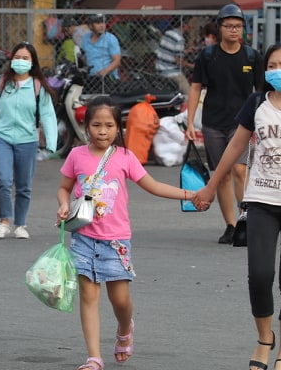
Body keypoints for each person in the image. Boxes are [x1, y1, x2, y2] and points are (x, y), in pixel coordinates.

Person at [56, 96, 209, 370]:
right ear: (86, 127)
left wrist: (190, 194)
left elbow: (153, 186)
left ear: (118, 129)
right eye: (96, 125)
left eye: (109, 125)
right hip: (83, 239)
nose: (102, 131)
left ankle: (125, 329)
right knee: (89, 298)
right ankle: (94, 357)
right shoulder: (76, 155)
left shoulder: (125, 157)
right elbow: (64, 187)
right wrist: (64, 205)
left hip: (116, 242)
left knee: (121, 300)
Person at [193, 44, 281, 370]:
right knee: (260, 275)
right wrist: (211, 185)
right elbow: (235, 147)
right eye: (272, 64)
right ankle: (263, 340)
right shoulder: (257, 104)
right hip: (260, 200)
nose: (276, 69)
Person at [185, 3, 264, 244]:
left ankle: (246, 220)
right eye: (228, 26)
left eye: (238, 26)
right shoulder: (208, 56)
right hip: (212, 123)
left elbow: (261, 91)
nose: (233, 30)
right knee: (221, 175)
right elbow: (196, 87)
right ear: (219, 28)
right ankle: (230, 225)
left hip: (242, 124)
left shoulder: (252, 56)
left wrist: (261, 122)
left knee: (240, 170)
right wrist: (189, 122)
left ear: (243, 29)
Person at [0, 42, 58, 239]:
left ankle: (20, 224)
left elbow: (48, 115)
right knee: (3, 180)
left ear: (32, 62)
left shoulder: (38, 86)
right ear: (11, 59)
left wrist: (51, 142)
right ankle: (4, 221)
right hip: (1, 138)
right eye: (18, 57)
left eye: (25, 58)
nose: (20, 61)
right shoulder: (1, 82)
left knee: (24, 186)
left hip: (27, 140)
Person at [81, 14, 121, 93]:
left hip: (107, 78)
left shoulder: (110, 38)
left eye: (103, 23)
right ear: (90, 26)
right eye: (98, 23)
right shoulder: (85, 38)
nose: (102, 25)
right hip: (91, 78)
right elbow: (85, 56)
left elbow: (117, 61)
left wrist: (105, 71)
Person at [154, 18, 196, 95]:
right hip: (171, 72)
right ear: (185, 25)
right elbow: (178, 61)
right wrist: (192, 66)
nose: (192, 28)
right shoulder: (180, 39)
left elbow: (169, 50)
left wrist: (185, 51)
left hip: (160, 67)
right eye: (191, 26)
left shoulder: (168, 33)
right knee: (189, 93)